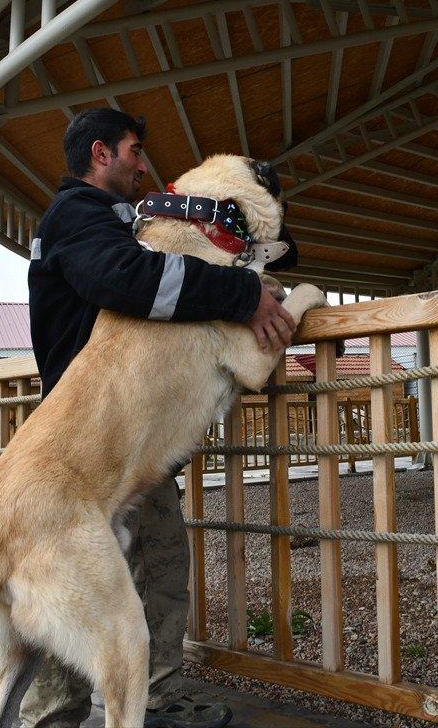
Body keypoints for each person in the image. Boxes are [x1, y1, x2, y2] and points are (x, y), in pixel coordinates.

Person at [22, 108, 297, 728]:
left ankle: (99, 704)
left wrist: (251, 243)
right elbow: (129, 279)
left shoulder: (131, 218)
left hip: (119, 427)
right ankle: (101, 706)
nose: (145, 164)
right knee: (93, 573)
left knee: (127, 562)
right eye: (134, 150)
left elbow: (213, 251)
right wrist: (240, 295)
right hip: (95, 431)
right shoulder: (77, 217)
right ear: (101, 153)